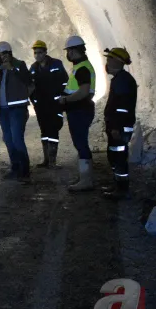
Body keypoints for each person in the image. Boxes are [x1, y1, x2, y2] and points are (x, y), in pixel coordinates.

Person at [57, 35, 96, 192]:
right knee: (79, 143)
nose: (68, 54)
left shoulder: (82, 68)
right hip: (79, 110)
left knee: (81, 144)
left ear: (73, 51)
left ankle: (86, 181)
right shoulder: (80, 66)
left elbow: (83, 91)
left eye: (68, 51)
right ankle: (84, 177)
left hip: (80, 110)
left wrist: (66, 100)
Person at [0, 41, 34, 183]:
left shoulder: (19, 65)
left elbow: (29, 82)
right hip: (3, 110)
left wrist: (11, 69)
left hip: (17, 109)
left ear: (8, 54)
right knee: (9, 140)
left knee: (17, 139)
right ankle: (15, 167)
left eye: (0, 54)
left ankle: (24, 170)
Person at [100, 47, 138, 199]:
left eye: (109, 59)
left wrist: (116, 127)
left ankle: (121, 189)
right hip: (118, 125)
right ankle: (117, 184)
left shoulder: (122, 80)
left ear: (117, 61)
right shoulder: (120, 79)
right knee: (114, 155)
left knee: (119, 156)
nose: (107, 62)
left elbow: (121, 108)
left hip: (120, 126)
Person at [29, 40, 69, 169]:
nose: (37, 55)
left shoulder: (56, 64)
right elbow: (30, 87)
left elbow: (64, 82)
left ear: (45, 52)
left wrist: (61, 98)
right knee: (44, 131)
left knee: (53, 130)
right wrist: (34, 101)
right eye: (35, 53)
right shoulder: (33, 68)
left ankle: (52, 161)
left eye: (40, 52)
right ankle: (46, 160)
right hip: (41, 106)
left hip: (54, 104)